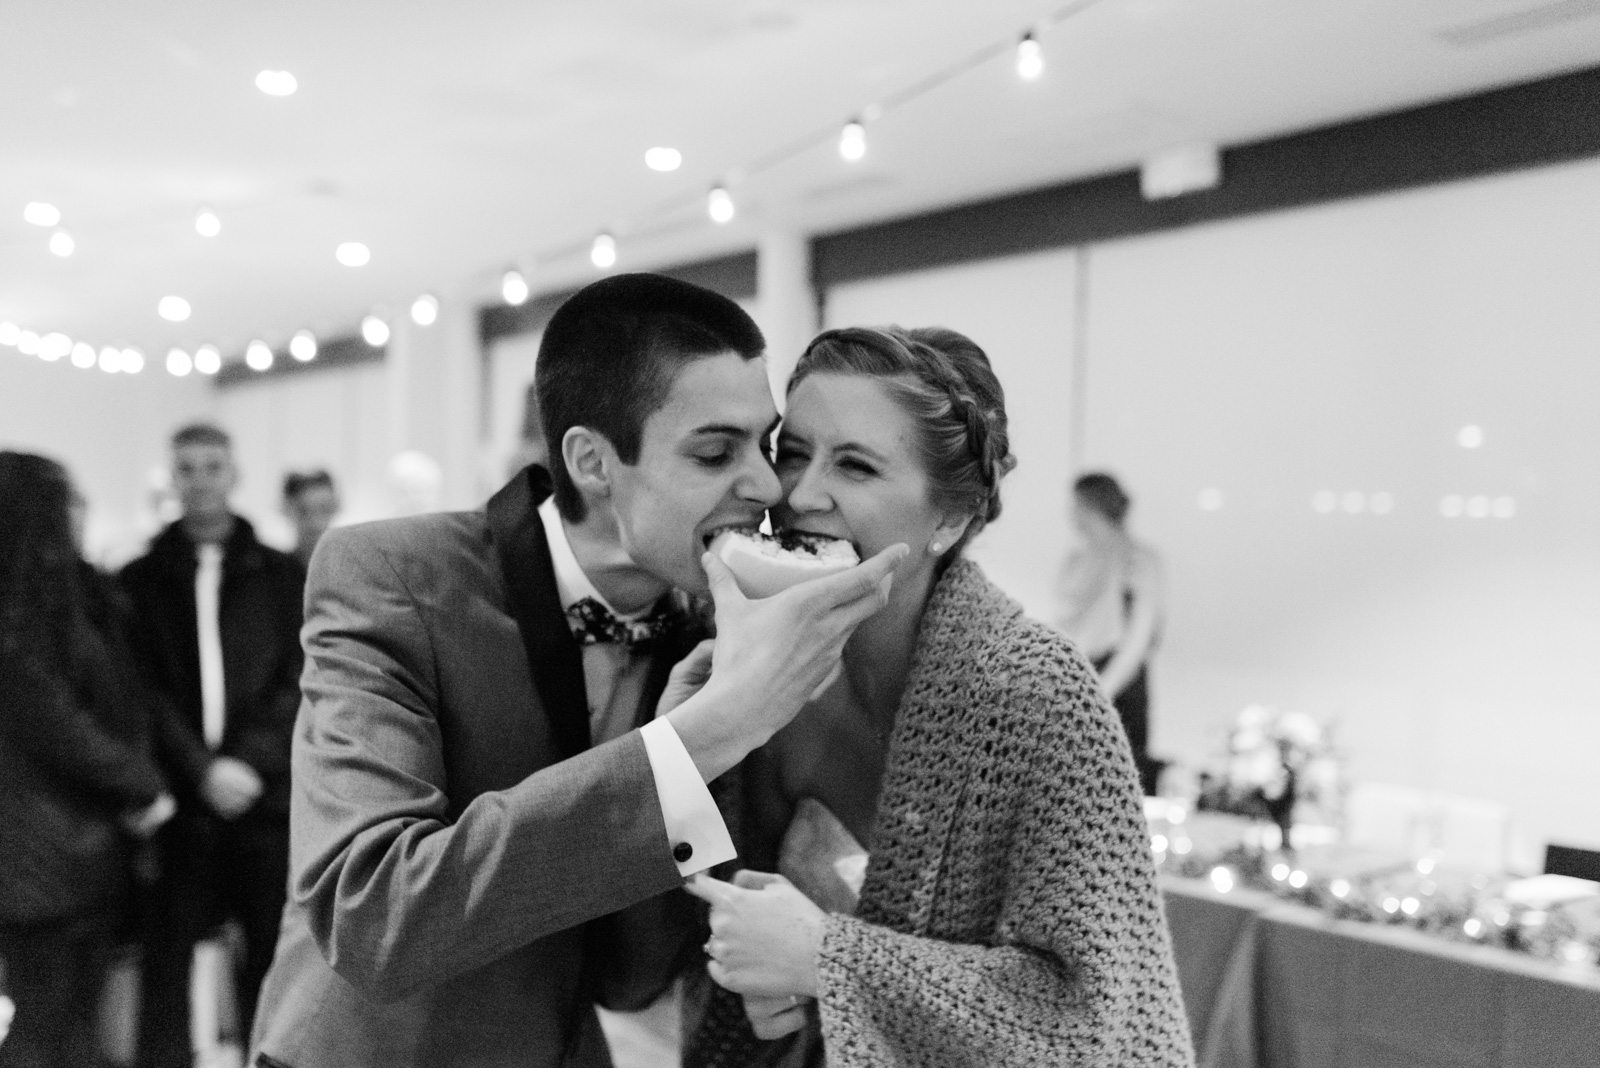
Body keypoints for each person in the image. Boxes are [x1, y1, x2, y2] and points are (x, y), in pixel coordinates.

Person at [249, 273, 905, 1068]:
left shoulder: (709, 628)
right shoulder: (387, 575)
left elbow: (630, 978)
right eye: (714, 451)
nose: (769, 487)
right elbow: (373, 918)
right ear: (593, 462)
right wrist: (697, 741)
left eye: (763, 445)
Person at [682, 327, 1193, 1067]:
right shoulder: (739, 672)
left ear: (950, 520)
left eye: (854, 466)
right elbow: (662, 930)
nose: (798, 493)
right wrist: (685, 738)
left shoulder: (1042, 701)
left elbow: (1091, 1021)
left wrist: (827, 959)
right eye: (792, 453)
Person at [119, 425, 305, 1068]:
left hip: (264, 797)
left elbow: (300, 676)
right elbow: (140, 688)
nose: (199, 480)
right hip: (183, 800)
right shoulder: (138, 581)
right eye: (187, 468)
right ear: (172, 477)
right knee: (166, 968)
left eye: (212, 466)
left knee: (274, 965)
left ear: (234, 473)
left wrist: (246, 763)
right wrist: (201, 771)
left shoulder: (282, 575)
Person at [0, 452, 174, 1067]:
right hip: (42, 853)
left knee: (70, 1021)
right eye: (70, 501)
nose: (83, 512)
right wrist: (144, 784)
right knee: (46, 1022)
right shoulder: (20, 607)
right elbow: (55, 721)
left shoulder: (58, 593)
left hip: (69, 846)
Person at [1055, 472, 1166, 795]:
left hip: (1117, 685)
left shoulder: (1139, 559)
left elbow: (1140, 637)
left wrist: (1101, 692)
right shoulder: (1075, 560)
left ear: (1088, 506)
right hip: (1075, 676)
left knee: (1114, 787)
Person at [281, 469, 340, 571]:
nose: (315, 523)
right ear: (287, 510)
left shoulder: (350, 573)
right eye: (304, 511)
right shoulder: (275, 571)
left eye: (324, 509)